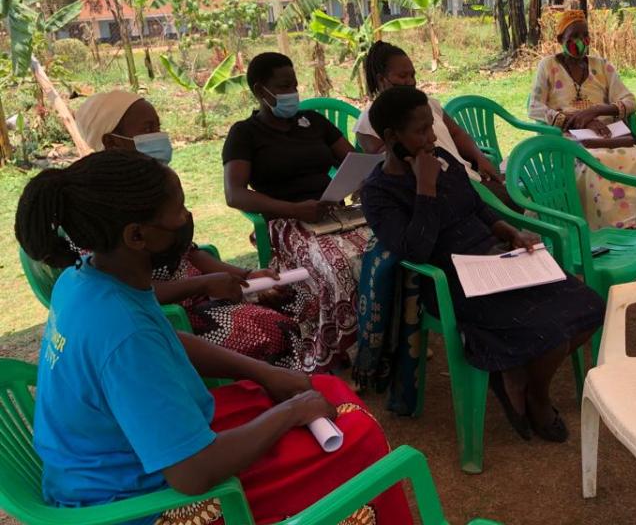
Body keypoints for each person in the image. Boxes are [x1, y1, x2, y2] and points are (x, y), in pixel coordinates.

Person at [15, 150, 412, 525]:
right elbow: (193, 474)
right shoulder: (122, 334)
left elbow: (166, 340)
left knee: (320, 387)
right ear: (136, 236)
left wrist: (264, 373)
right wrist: (290, 413)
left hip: (123, 456)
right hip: (137, 501)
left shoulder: (84, 279)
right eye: (178, 210)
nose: (186, 218)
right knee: (357, 436)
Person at [360, 86, 605, 442]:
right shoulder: (379, 192)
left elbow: (474, 206)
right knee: (549, 332)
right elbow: (414, 252)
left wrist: (506, 229)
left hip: (496, 258)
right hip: (451, 279)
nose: (431, 138)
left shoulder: (442, 157)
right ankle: (535, 397)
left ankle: (525, 382)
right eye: (420, 131)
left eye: (431, 127)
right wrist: (424, 189)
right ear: (390, 137)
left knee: (590, 308)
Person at [75, 90, 301, 368]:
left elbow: (190, 253)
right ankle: (279, 397)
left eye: (158, 126)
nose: (159, 136)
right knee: (278, 331)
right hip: (171, 316)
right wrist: (203, 284)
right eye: (148, 129)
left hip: (204, 294)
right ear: (111, 142)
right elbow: (122, 293)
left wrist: (246, 275)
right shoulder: (96, 207)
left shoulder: (154, 184)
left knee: (297, 298)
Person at [223, 53, 371, 373]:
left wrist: (354, 181)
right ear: (261, 91)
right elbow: (235, 194)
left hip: (334, 213)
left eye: (294, 84)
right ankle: (351, 345)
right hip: (286, 222)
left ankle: (382, 334)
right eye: (283, 86)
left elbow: (351, 160)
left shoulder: (313, 122)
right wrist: (293, 209)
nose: (292, 92)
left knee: (381, 250)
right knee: (338, 263)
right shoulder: (245, 134)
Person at [355, 40, 518, 209]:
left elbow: (456, 133)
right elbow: (389, 167)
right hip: (433, 191)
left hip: (463, 178)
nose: (411, 82)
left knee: (511, 202)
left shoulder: (427, 104)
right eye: (403, 76)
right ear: (382, 79)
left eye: (413, 75)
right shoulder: (369, 122)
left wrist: (480, 158)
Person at [528, 9, 636, 229]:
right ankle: (599, 227)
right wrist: (575, 120)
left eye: (585, 35)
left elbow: (630, 101)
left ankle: (631, 223)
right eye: (573, 37)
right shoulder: (548, 66)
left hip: (605, 131)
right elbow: (535, 106)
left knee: (635, 156)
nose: (581, 42)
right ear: (559, 40)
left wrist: (597, 111)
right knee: (592, 162)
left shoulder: (602, 66)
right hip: (566, 135)